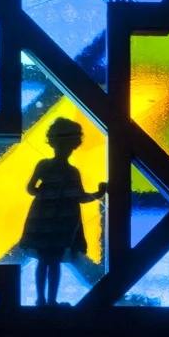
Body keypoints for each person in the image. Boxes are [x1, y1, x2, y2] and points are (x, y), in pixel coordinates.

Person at [21, 118, 107, 306]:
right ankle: (45, 300)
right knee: (49, 262)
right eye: (64, 143)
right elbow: (32, 189)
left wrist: (98, 193)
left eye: (67, 144)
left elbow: (78, 196)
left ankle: (45, 301)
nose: (65, 148)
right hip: (53, 223)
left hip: (50, 222)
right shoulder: (58, 169)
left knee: (47, 261)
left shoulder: (62, 169)